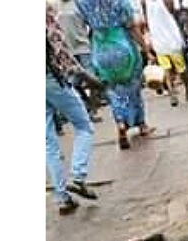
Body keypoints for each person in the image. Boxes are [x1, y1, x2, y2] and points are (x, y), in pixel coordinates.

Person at [76, 0, 157, 150]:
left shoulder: (82, 2)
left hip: (100, 49)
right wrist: (146, 49)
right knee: (134, 86)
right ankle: (141, 124)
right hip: (123, 46)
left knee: (112, 90)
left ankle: (121, 123)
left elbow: (83, 24)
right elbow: (132, 27)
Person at [47, 5, 102, 215]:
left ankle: (62, 198)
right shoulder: (47, 16)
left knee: (48, 142)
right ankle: (78, 176)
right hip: (52, 79)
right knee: (84, 126)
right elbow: (62, 55)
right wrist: (88, 77)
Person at [54, 0, 105, 123]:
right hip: (67, 51)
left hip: (83, 47)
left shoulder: (79, 4)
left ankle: (92, 110)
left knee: (91, 79)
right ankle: (83, 108)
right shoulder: (56, 7)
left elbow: (92, 23)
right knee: (72, 82)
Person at [143, 0, 188, 105]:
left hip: (158, 40)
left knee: (166, 69)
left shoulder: (145, 2)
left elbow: (146, 20)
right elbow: (172, 12)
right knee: (181, 68)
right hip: (172, 39)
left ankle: (172, 93)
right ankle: (187, 89)